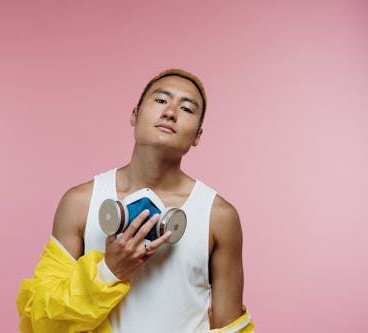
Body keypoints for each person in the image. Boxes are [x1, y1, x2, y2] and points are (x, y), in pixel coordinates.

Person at [16, 69, 254, 332]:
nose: (170, 112)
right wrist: (109, 271)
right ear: (135, 114)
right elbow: (42, 321)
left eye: (186, 108)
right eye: (161, 101)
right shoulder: (80, 203)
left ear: (197, 135)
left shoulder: (219, 216)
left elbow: (231, 328)